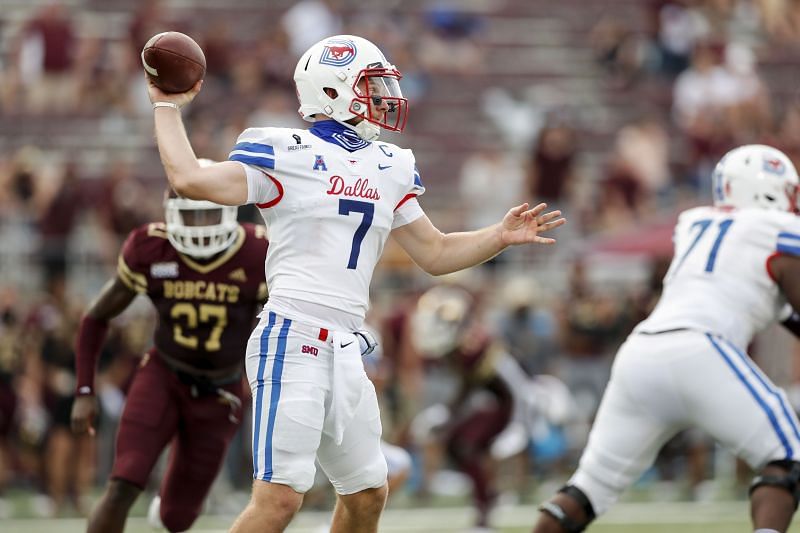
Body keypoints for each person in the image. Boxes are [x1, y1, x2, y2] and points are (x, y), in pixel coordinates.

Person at [144, 34, 566, 533]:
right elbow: (191, 179)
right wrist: (166, 107)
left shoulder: (389, 165)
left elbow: (435, 252)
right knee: (278, 500)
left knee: (368, 493)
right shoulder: (285, 150)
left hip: (345, 345)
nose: (385, 94)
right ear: (331, 90)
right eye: (372, 83)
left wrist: (498, 235)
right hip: (293, 334)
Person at [533, 144, 800, 533]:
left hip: (642, 353)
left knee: (588, 488)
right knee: (788, 459)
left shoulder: (694, 222)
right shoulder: (777, 229)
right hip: (703, 350)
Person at [70, 185, 268, 533]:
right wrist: (85, 390)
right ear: (171, 215)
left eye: (208, 214)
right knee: (123, 483)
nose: (200, 227)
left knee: (177, 518)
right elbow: (95, 316)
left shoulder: (257, 251)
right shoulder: (151, 247)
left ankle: (166, 511)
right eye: (192, 216)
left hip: (220, 392)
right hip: (164, 375)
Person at [410, 285, 574, 531]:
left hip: (513, 402)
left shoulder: (475, 346)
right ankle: (488, 496)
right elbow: (469, 384)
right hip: (494, 401)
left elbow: (514, 386)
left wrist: (521, 425)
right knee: (456, 443)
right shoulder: (461, 347)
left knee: (465, 446)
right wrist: (449, 414)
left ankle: (487, 506)